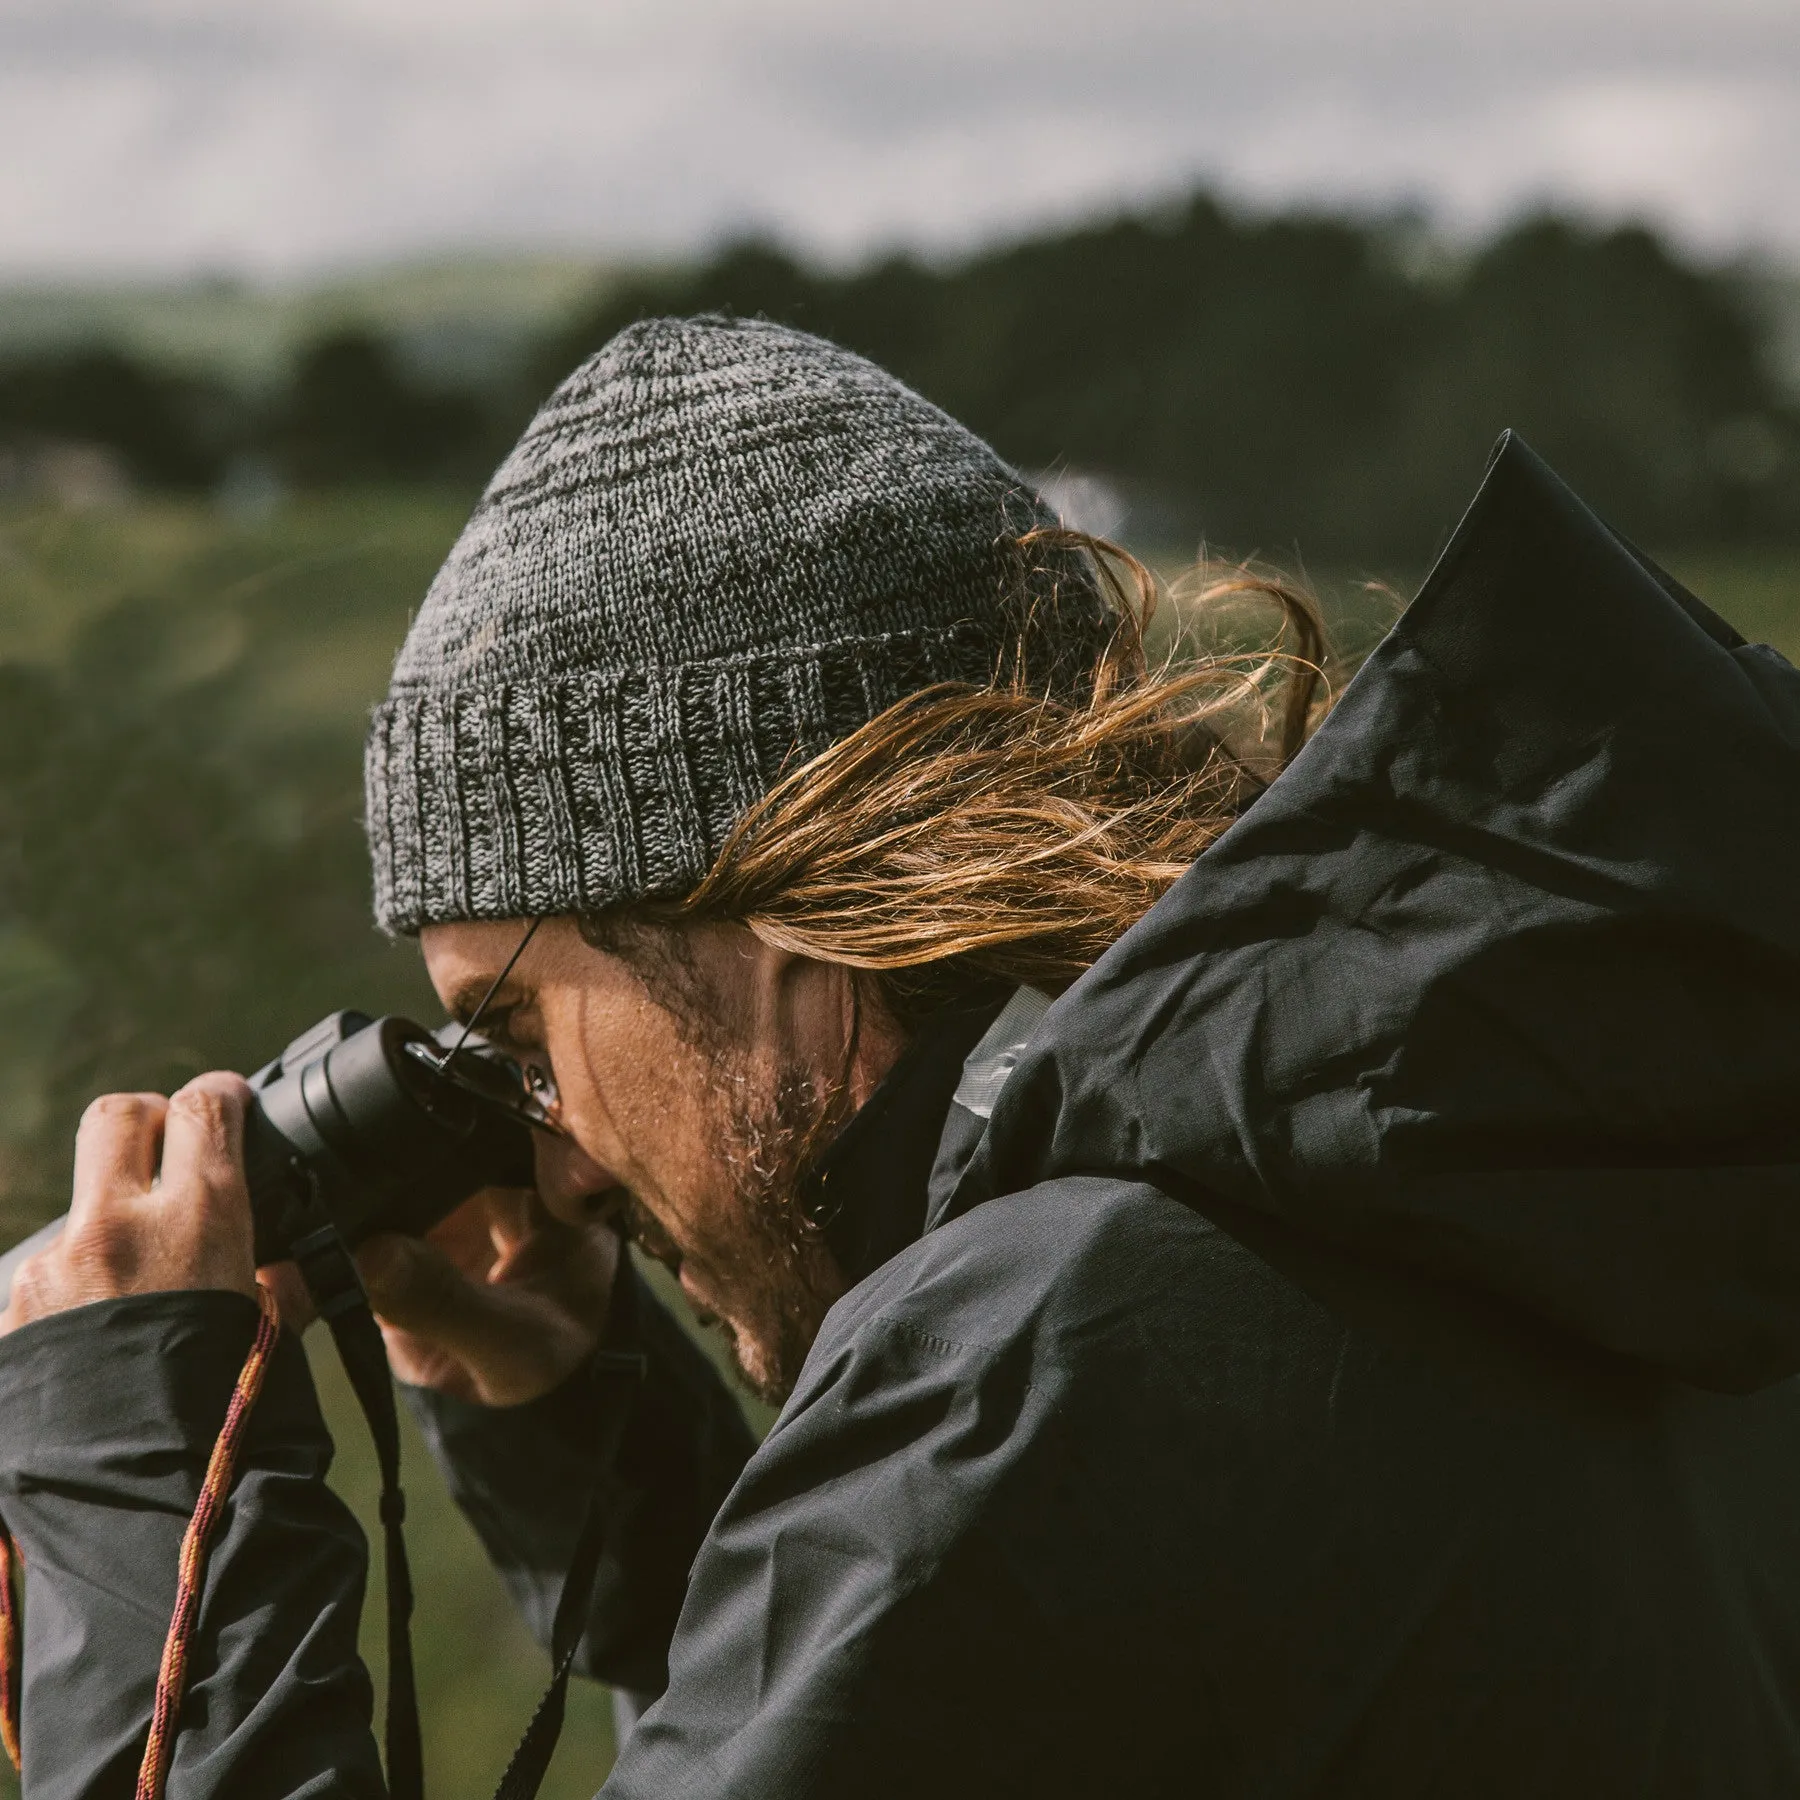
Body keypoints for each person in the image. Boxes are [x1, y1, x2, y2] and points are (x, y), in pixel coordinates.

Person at [2, 316, 1800, 1800]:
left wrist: (144, 1489)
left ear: (785, 911)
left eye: (517, 1030)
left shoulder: (1056, 1356)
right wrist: (577, 1436)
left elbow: (978, 1554)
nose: (545, 1160)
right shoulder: (1450, 1179)